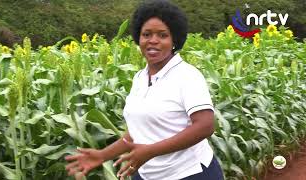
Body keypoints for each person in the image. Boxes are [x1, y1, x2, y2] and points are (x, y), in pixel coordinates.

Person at [65, 0, 224, 179]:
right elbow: (139, 131)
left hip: (189, 173)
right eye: (146, 34)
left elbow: (205, 126)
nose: (153, 41)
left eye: (162, 35)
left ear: (174, 40)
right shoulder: (140, 78)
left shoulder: (187, 76)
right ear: (138, 38)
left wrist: (150, 151)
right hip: (148, 173)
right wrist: (103, 155)